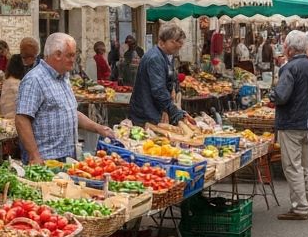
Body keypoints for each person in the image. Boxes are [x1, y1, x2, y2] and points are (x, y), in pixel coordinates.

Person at [15, 33, 115, 163]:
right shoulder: (34, 79)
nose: (73, 60)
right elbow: (22, 119)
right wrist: (34, 154)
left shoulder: (64, 78)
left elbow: (71, 112)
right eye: (70, 55)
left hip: (67, 157)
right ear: (57, 55)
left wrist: (98, 128)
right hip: (46, 159)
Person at [268, 30, 308, 220]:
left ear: (290, 50)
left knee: (292, 166)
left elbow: (282, 96)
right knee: (306, 166)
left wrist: (271, 95)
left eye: (285, 46)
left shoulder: (289, 68)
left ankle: (300, 207)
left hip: (291, 123)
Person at [128, 24, 187, 127]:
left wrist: (176, 92)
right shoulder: (155, 58)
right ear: (167, 41)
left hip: (153, 112)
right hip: (146, 114)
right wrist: (175, 113)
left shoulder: (166, 56)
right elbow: (159, 90)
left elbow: (170, 79)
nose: (179, 46)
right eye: (177, 42)